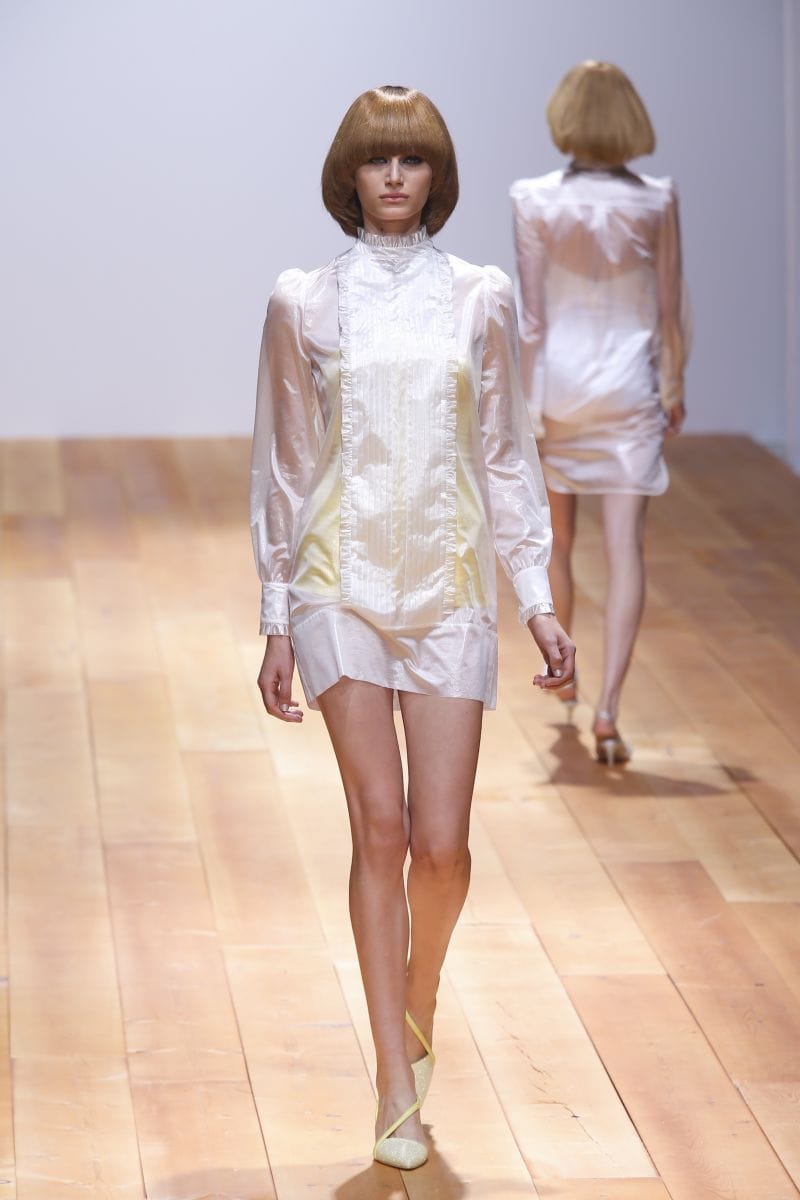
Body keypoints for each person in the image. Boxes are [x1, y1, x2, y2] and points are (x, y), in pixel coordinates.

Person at [250, 85, 574, 1170]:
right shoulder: (303, 302)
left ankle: (417, 991)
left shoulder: (481, 297)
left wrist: (536, 597)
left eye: (414, 159)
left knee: (442, 849)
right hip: (336, 584)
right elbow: (285, 464)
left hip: (447, 585)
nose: (395, 177)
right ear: (348, 175)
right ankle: (393, 1077)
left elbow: (506, 454)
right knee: (379, 833)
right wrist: (276, 617)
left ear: (437, 175)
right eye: (377, 160)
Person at [510, 60, 688, 766]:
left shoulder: (533, 199)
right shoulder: (657, 199)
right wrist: (672, 387)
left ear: (564, 116)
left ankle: (566, 674)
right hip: (630, 387)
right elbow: (668, 308)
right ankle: (608, 712)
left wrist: (524, 407)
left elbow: (531, 320)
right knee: (625, 551)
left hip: (558, 391)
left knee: (558, 541)